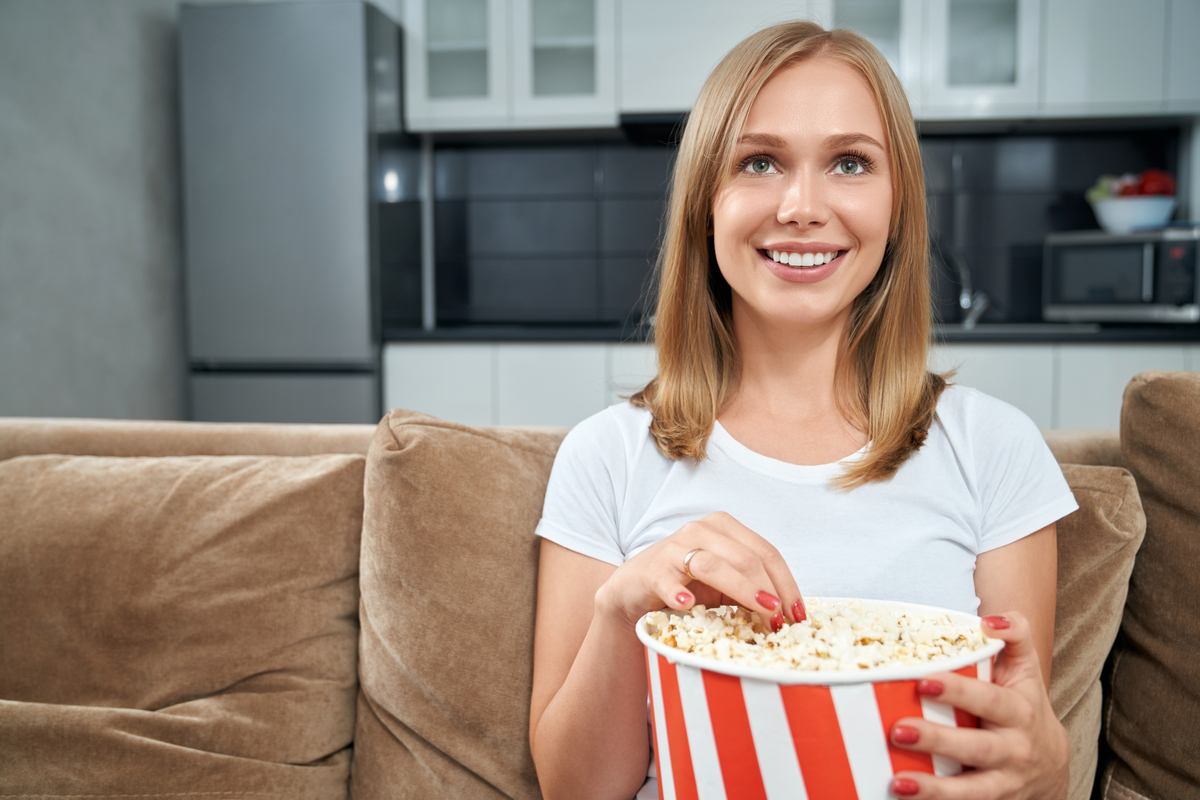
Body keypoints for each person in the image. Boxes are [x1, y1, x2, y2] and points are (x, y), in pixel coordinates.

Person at [529, 20, 1077, 800]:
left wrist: (1048, 772)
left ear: (898, 205)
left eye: (850, 163)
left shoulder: (996, 450)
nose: (802, 206)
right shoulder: (605, 457)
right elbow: (575, 791)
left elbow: (1013, 754)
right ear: (705, 205)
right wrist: (624, 609)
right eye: (760, 162)